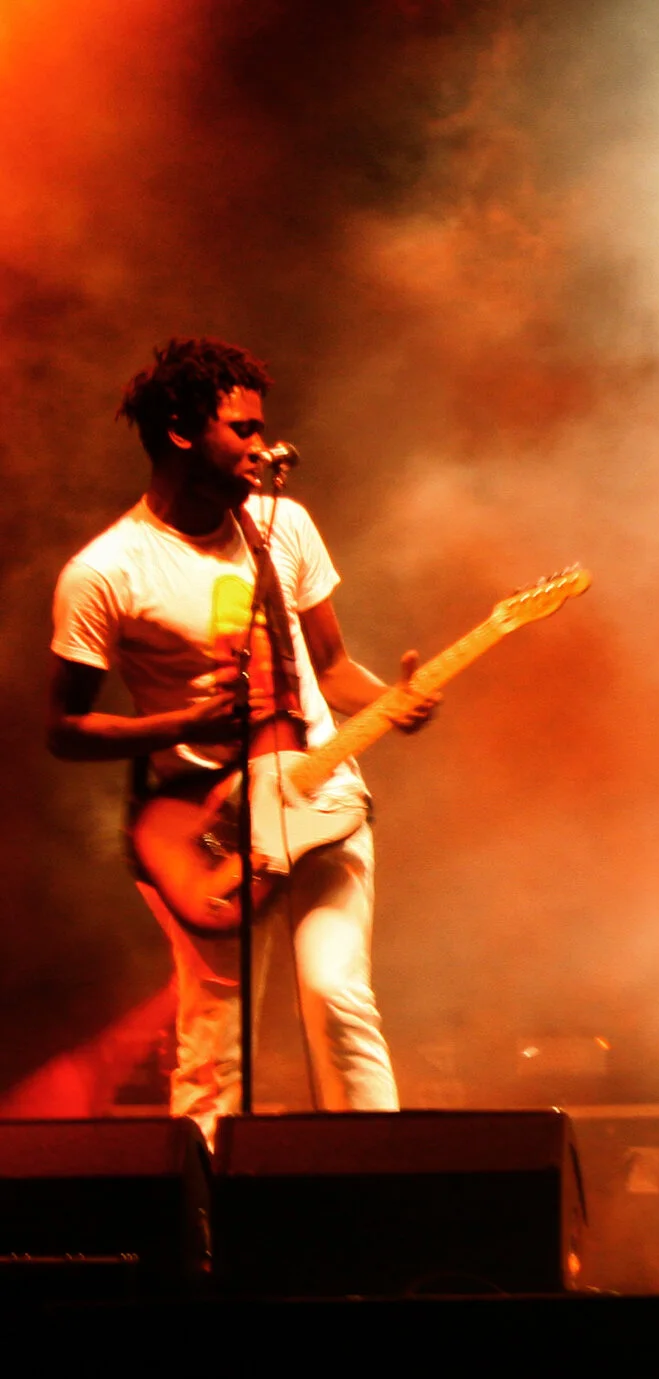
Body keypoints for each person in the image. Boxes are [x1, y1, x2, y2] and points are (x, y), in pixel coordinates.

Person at [45, 337, 437, 1134]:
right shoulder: (107, 571)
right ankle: (206, 1229)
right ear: (185, 431)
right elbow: (66, 728)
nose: (264, 446)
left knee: (338, 998)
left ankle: (384, 1200)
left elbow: (330, 664)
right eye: (245, 429)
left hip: (321, 796)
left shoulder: (283, 526)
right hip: (208, 835)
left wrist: (396, 698)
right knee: (216, 1043)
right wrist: (181, 723)